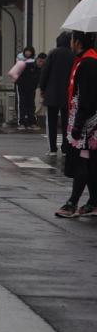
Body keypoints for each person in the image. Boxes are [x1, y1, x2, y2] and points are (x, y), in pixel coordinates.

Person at [54, 31, 97, 218]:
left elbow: (87, 96)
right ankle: (93, 202)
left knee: (83, 162)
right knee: (90, 163)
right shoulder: (85, 60)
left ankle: (72, 202)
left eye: (72, 40)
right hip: (86, 119)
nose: (70, 43)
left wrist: (79, 123)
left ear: (78, 42)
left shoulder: (88, 63)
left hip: (88, 122)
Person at [40, 33, 74, 156]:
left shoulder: (53, 53)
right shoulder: (73, 55)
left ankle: (53, 149)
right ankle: (65, 148)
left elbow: (45, 72)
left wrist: (42, 88)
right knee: (67, 121)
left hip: (52, 92)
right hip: (67, 93)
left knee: (51, 121)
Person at [14, 46, 40, 129]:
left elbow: (38, 73)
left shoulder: (35, 61)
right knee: (22, 104)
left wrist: (36, 84)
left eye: (29, 51)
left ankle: (31, 122)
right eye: (27, 51)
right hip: (21, 85)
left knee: (31, 104)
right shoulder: (20, 59)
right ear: (24, 52)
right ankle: (22, 122)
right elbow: (16, 72)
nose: (28, 53)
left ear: (32, 52)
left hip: (31, 86)